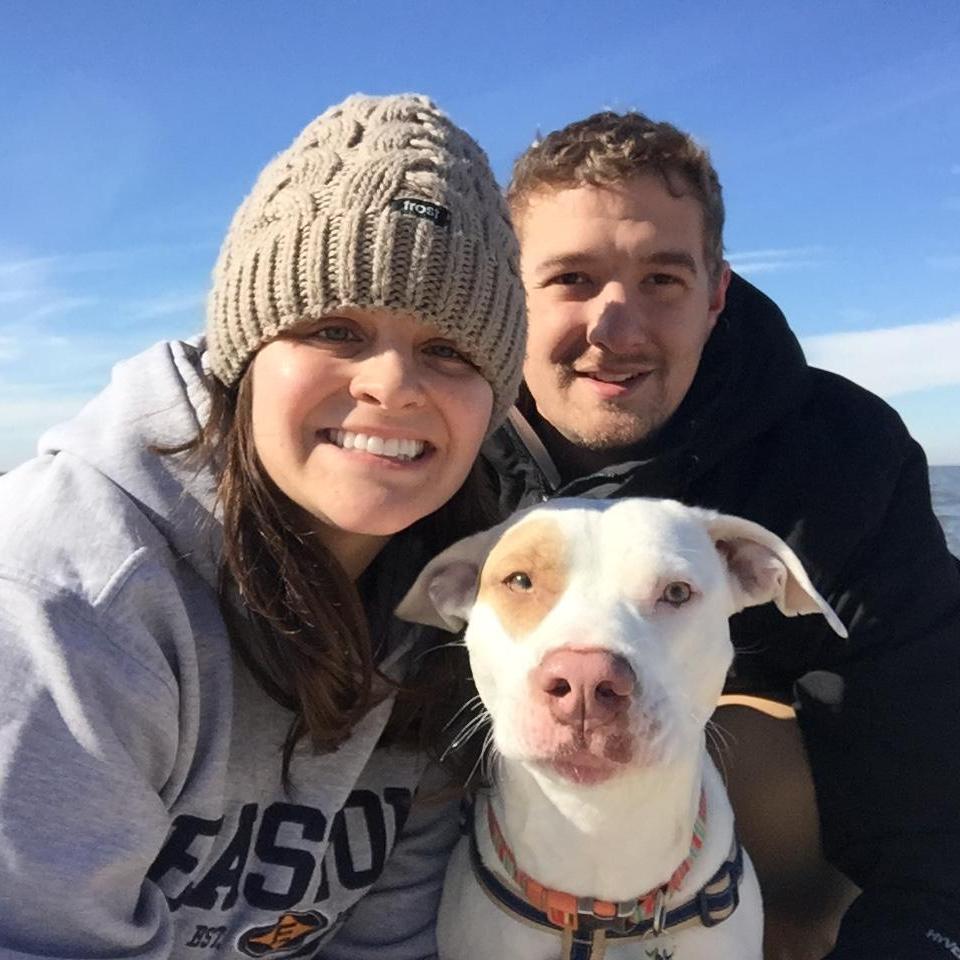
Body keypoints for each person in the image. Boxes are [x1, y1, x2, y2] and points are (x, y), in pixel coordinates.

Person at [0, 94, 525, 959]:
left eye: (449, 349)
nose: (392, 385)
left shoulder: (457, 605)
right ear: (244, 358)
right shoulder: (71, 599)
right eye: (337, 329)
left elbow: (390, 943)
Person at [481, 109, 960, 959]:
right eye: (573, 279)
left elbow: (921, 730)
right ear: (508, 295)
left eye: (662, 279)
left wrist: (919, 933)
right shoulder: (442, 445)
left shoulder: (838, 456)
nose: (615, 328)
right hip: (481, 812)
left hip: (738, 815)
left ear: (715, 296)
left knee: (756, 753)